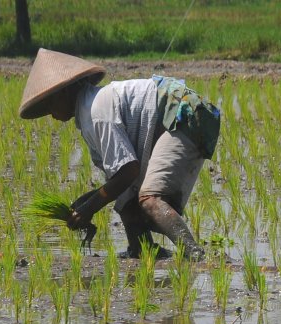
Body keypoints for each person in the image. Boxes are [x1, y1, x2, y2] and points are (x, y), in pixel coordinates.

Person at [19, 48, 220, 259]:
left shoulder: (96, 112)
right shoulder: (88, 113)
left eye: (50, 104)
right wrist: (88, 201)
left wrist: (90, 208)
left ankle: (197, 256)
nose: (50, 113)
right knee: (127, 200)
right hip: (178, 118)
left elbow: (128, 171)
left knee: (150, 200)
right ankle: (142, 250)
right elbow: (120, 181)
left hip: (183, 114)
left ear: (64, 92)